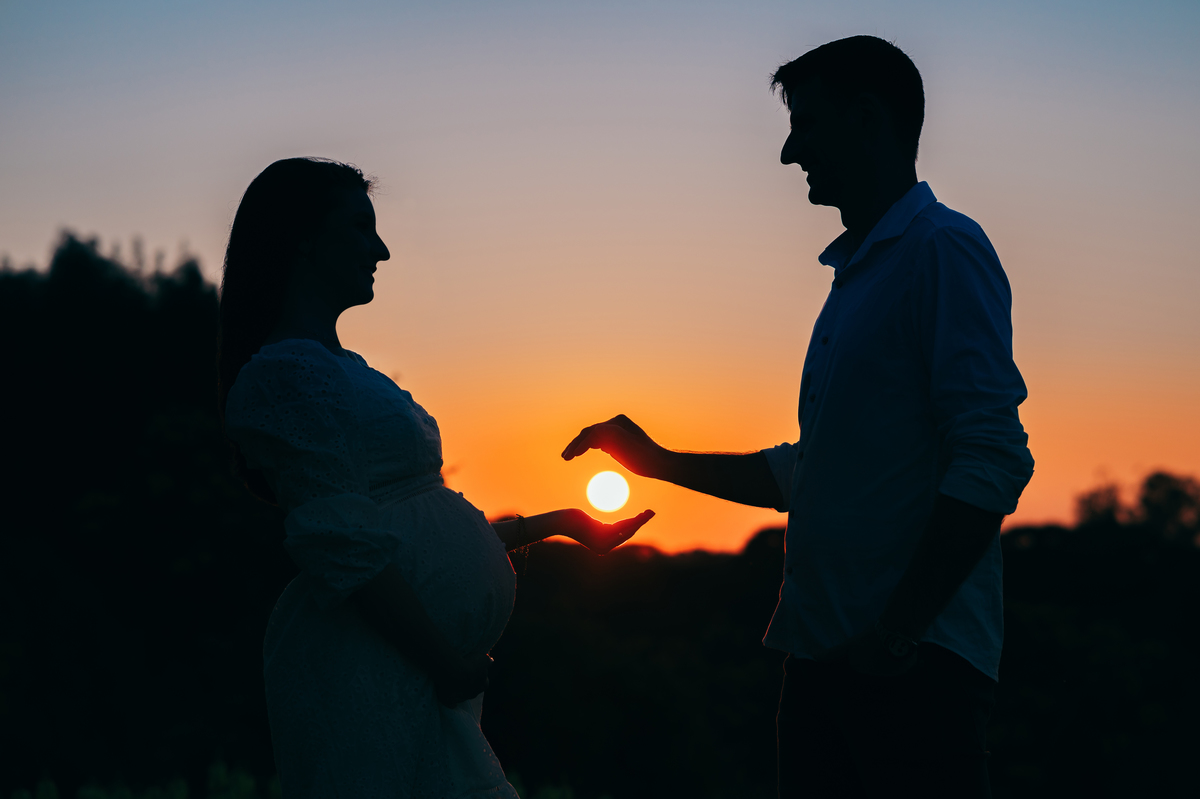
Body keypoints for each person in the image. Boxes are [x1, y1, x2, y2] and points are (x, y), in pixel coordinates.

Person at [561, 36, 1033, 798]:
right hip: (822, 661)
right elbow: (813, 471)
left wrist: (900, 632)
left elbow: (993, 455)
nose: (789, 152)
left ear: (869, 119)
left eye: (806, 124)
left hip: (911, 674)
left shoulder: (943, 249)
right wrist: (654, 460)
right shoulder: (858, 272)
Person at [216, 157, 654, 798]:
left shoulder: (345, 369)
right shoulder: (288, 377)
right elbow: (343, 542)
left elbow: (411, 521)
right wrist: (442, 661)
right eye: (362, 228)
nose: (382, 249)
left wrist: (561, 525)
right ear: (304, 240)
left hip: (405, 666)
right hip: (370, 667)